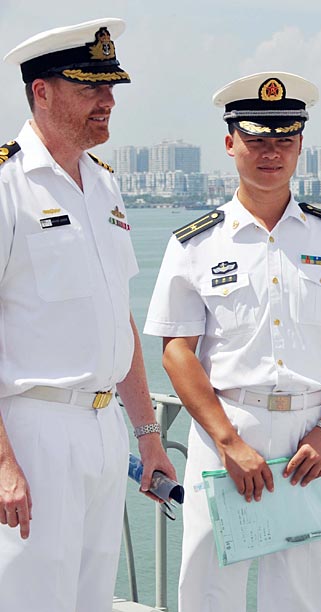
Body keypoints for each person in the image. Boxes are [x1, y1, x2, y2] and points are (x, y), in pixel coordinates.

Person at [143, 72, 321, 612]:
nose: (271, 152)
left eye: (284, 140)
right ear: (231, 143)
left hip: (309, 436)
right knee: (209, 586)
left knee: (301, 591)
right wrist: (229, 442)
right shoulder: (196, 244)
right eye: (257, 139)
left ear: (300, 145)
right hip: (226, 426)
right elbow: (176, 351)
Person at [0, 18, 176, 612]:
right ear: (41, 92)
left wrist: (148, 436)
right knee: (29, 596)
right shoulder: (7, 184)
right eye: (90, 87)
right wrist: (2, 462)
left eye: (111, 87)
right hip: (33, 427)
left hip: (105, 429)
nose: (108, 101)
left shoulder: (103, 185)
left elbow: (116, 317)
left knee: (90, 598)